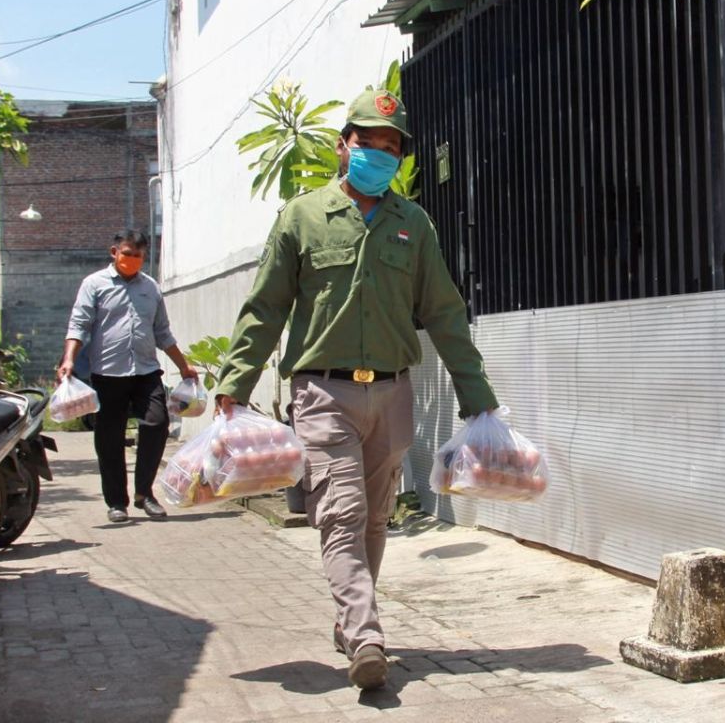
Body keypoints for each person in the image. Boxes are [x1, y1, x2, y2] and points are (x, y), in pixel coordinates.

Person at [214, 89, 499, 690]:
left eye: (392, 147)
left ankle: (349, 623)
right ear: (344, 145)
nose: (380, 154)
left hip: (392, 395)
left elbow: (444, 311)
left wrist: (476, 393)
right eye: (369, 142)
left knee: (374, 520)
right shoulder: (301, 217)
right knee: (340, 514)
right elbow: (265, 307)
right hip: (322, 393)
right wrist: (234, 384)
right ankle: (368, 635)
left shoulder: (412, 224)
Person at [59, 228, 198, 523]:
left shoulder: (151, 288)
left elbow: (162, 332)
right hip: (108, 374)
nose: (132, 260)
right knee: (109, 438)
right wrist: (69, 360)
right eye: (127, 254)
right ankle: (116, 502)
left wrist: (184, 365)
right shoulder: (94, 285)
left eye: (138, 256)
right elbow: (78, 325)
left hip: (146, 371)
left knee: (157, 422)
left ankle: (144, 493)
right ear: (114, 253)